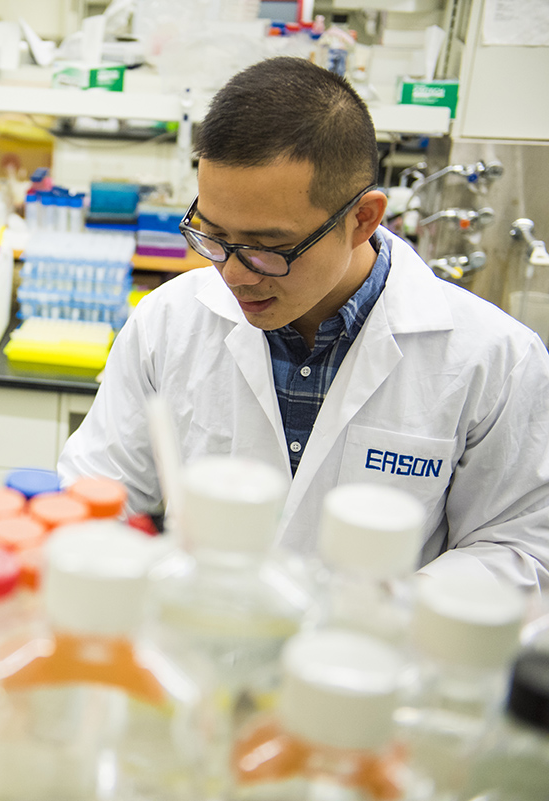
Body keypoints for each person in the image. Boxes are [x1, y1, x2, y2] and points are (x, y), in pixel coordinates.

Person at [59, 57, 549, 591]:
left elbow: (519, 547)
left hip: (369, 641)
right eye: (214, 236)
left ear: (363, 219)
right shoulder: (168, 320)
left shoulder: (494, 360)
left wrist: (386, 610)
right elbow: (98, 490)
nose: (232, 274)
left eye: (267, 248)